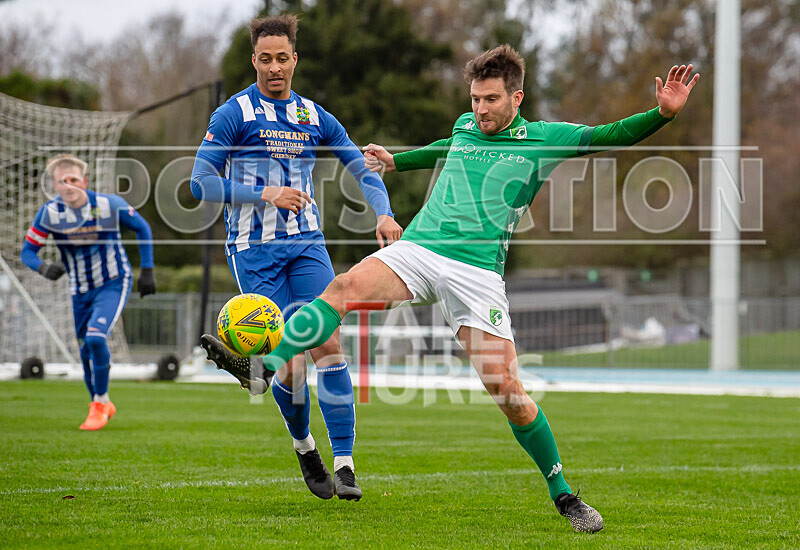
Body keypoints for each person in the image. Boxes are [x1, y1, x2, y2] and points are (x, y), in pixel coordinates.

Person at [204, 45, 698, 531]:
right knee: (343, 286)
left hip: (477, 274)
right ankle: (264, 368)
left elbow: (609, 134)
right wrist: (398, 162)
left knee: (508, 392)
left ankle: (563, 492)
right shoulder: (465, 126)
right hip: (419, 250)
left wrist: (662, 115)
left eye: (490, 100)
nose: (479, 109)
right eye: (475, 99)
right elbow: (448, 148)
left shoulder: (547, 139)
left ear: (517, 98)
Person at [191, 15, 402, 501]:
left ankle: (346, 465)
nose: (273, 68)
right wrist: (266, 193)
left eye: (282, 58)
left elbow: (360, 165)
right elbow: (200, 184)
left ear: (294, 60)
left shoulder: (313, 116)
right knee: (290, 363)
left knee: (327, 340)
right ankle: (305, 447)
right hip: (255, 252)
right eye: (264, 59)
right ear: (254, 61)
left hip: (307, 245)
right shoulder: (233, 114)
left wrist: (385, 213)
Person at [21, 154, 156, 431]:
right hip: (79, 289)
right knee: (84, 350)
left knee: (96, 338)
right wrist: (44, 268)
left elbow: (142, 227)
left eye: (73, 180)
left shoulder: (107, 205)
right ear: (55, 186)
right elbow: (27, 252)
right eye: (62, 181)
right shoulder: (50, 213)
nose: (69, 185)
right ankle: (98, 402)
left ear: (84, 182)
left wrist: (148, 270)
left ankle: (100, 402)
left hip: (113, 282)